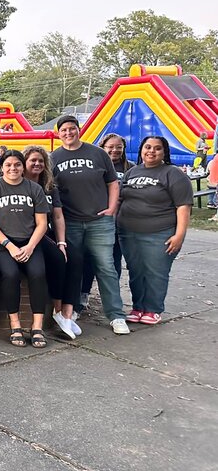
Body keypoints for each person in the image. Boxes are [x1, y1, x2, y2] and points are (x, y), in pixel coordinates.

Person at [51, 115, 130, 335]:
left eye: (72, 129)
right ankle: (73, 308)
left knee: (106, 267)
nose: (68, 133)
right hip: (71, 221)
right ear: (59, 133)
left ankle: (116, 315)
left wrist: (112, 208)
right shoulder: (54, 158)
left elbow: (112, 182)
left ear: (79, 130)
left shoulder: (98, 153)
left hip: (99, 220)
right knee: (74, 267)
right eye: (64, 130)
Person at [118, 136, 193, 324]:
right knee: (136, 271)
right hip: (128, 232)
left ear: (164, 152)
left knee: (155, 271)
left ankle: (152, 309)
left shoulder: (173, 174)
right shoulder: (131, 172)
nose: (151, 151)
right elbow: (120, 199)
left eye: (157, 148)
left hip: (160, 232)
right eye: (147, 147)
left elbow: (183, 206)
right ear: (141, 149)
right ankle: (138, 307)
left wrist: (179, 235)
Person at [0, 150, 50, 348]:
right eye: (8, 165)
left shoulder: (34, 189)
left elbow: (42, 223)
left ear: (23, 167)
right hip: (4, 243)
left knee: (38, 274)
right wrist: (10, 246)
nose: (13, 168)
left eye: (17, 165)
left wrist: (29, 247)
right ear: (1, 167)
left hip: (30, 241)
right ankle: (15, 324)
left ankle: (37, 325)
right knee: (10, 275)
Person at [23, 145, 75, 338]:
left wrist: (62, 243)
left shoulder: (50, 188)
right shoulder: (18, 184)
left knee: (74, 257)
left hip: (49, 233)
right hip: (30, 234)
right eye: (32, 160)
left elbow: (58, 216)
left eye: (40, 161)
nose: (37, 164)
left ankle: (66, 313)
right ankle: (57, 309)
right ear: (24, 163)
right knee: (57, 260)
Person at [79, 133, 132, 309]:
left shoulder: (130, 169)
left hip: (119, 222)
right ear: (103, 147)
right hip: (97, 220)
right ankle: (84, 292)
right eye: (110, 146)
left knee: (113, 262)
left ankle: (110, 298)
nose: (114, 150)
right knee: (89, 260)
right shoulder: (94, 165)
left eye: (119, 147)